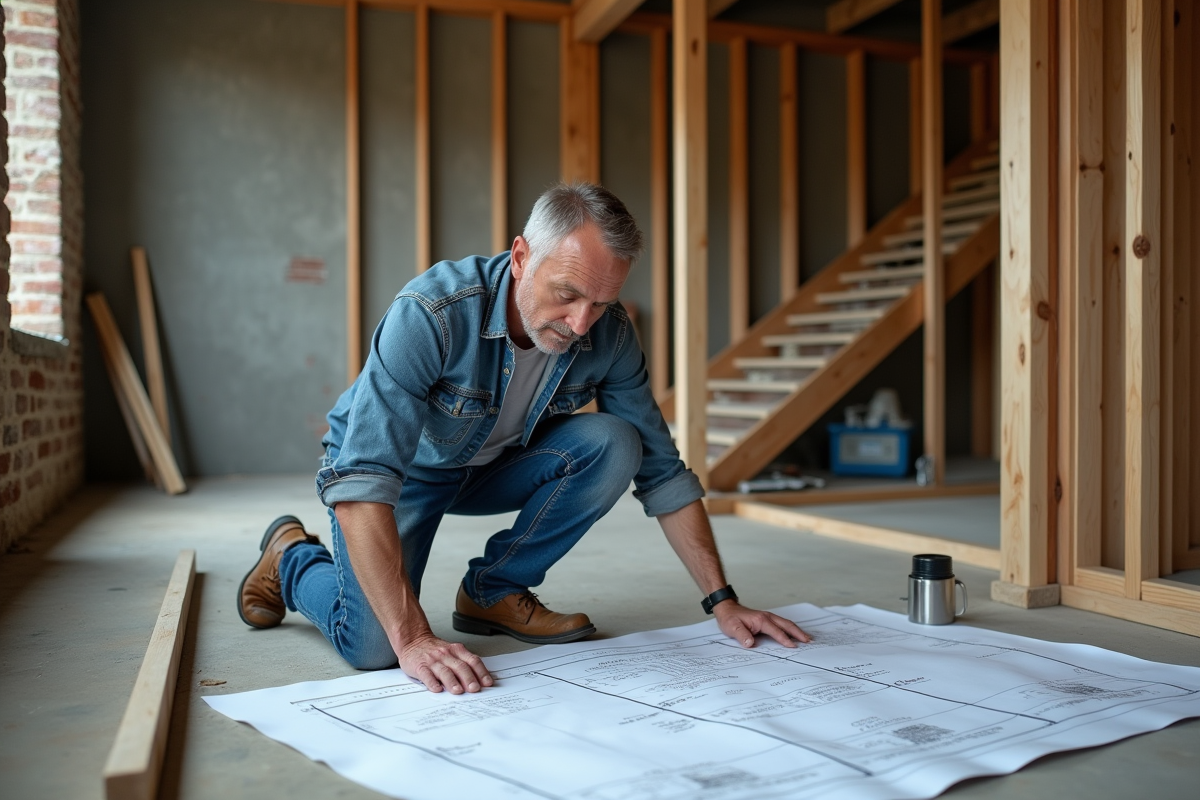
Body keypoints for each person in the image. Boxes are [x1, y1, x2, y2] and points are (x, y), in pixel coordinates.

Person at [238, 182, 810, 695]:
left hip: (488, 466)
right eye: (566, 294)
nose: (582, 322)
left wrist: (722, 601)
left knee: (616, 441)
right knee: (375, 649)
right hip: (399, 473)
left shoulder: (607, 334)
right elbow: (363, 477)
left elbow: (662, 470)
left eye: (601, 302)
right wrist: (412, 637)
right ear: (520, 257)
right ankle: (291, 557)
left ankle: (492, 591)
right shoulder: (432, 312)